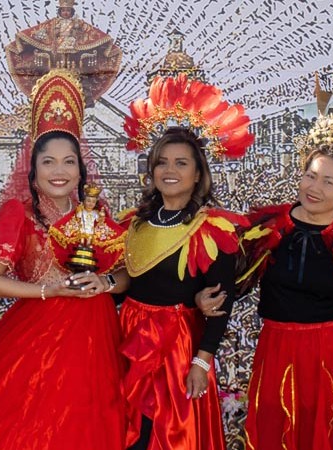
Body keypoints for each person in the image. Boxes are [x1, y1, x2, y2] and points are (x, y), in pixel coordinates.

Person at [0, 69, 128, 450]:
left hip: (97, 339)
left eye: (69, 162)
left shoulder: (97, 213)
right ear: (33, 168)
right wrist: (48, 290)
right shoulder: (21, 214)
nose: (59, 172)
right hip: (38, 335)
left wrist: (107, 283)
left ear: (81, 169)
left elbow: (126, 273)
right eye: (49, 162)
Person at [231, 111, 333, 450]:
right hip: (278, 350)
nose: (315, 188)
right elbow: (236, 281)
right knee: (276, 431)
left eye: (328, 182)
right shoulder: (267, 228)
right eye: (311, 176)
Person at [119, 74, 253, 450]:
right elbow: (125, 284)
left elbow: (221, 302)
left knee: (170, 435)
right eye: (162, 162)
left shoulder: (211, 229)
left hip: (176, 348)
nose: (170, 170)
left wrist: (202, 361)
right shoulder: (133, 223)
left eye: (181, 163)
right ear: (151, 171)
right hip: (129, 340)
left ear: (197, 175)